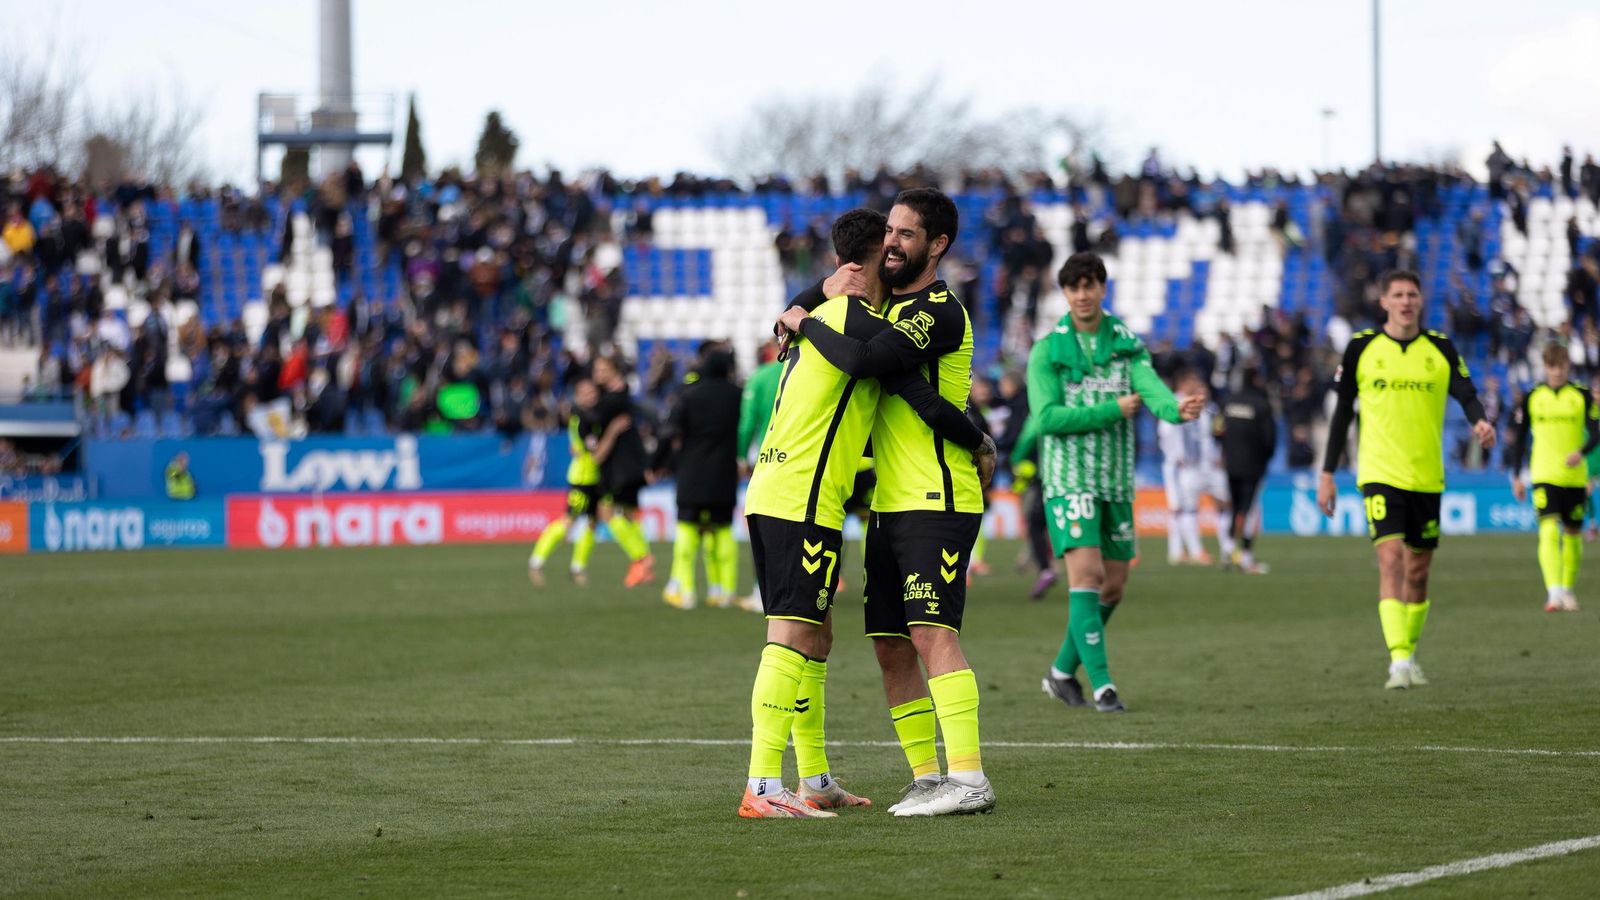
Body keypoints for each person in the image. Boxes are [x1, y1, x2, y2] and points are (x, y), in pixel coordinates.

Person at [738, 207, 991, 819]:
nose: (898, 246)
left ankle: (825, 777)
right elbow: (865, 362)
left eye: (909, 234)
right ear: (870, 259)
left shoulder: (911, 312)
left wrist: (802, 308)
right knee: (806, 635)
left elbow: (906, 385)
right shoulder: (855, 318)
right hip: (810, 496)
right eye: (892, 237)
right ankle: (766, 785)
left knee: (831, 637)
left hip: (883, 494)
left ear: (936, 244)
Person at [1031, 252, 1202, 716]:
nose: (1083, 295)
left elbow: (1150, 387)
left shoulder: (1126, 342)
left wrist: (1174, 409)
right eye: (1074, 287)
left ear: (1103, 289)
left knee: (1114, 586)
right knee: (1086, 577)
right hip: (1069, 480)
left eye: (1090, 285)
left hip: (1115, 481)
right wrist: (1111, 409)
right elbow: (1046, 418)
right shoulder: (1047, 350)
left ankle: (1062, 672)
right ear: (1065, 294)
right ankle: (1104, 687)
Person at [1317, 270, 1495, 690]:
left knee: (1418, 572)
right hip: (1379, 472)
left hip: (1427, 476)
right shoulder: (1361, 348)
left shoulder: (1439, 348)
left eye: (1412, 294)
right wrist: (1327, 474)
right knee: (1391, 559)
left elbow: (1467, 393)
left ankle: (1409, 653)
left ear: (1420, 300)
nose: (1405, 301)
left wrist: (1480, 422)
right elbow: (1342, 413)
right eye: (1397, 294)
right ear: (1384, 302)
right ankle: (1397, 662)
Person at [1507, 343, 1598, 612]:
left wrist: (1581, 453)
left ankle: (1567, 589)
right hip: (1544, 474)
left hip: (1574, 477)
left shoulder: (1581, 395)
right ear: (1545, 366)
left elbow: (1596, 431)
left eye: (1561, 366)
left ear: (1568, 366)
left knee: (1572, 535)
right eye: (1552, 366)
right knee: (1547, 529)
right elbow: (1520, 439)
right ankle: (1553, 592)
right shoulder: (1533, 396)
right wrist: (1516, 475)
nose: (1557, 372)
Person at [658, 344, 743, 610]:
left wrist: (656, 463)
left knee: (687, 530)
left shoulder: (689, 395)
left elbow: (669, 431)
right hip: (724, 471)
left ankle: (686, 592)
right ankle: (725, 591)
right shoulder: (738, 395)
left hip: (692, 471)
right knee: (723, 531)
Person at [528, 379, 603, 587]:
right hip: (582, 478)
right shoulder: (581, 416)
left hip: (595, 477)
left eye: (593, 392)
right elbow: (591, 445)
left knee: (591, 524)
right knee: (568, 521)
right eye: (586, 393)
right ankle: (536, 561)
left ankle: (578, 567)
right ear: (578, 396)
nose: (591, 396)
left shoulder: (590, 415)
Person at [590, 355, 656, 588]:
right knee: (629, 514)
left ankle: (641, 558)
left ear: (613, 371)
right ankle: (644, 565)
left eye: (602, 369)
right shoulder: (622, 398)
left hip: (621, 467)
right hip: (630, 465)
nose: (597, 373)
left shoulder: (610, 402)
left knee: (607, 514)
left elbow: (609, 430)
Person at [1157, 369, 1233, 567]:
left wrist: (1219, 455)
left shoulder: (1210, 408)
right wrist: (1176, 456)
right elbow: (1166, 433)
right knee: (1180, 508)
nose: (1199, 388)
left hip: (1207, 465)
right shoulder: (1174, 404)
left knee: (1221, 503)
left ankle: (1227, 548)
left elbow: (1216, 434)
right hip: (1183, 465)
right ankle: (1185, 551)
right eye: (1195, 383)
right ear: (1184, 384)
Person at [734, 339, 784, 611]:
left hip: (768, 459)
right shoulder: (810, 369)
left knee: (764, 527)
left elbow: (747, 422)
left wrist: (742, 456)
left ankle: (760, 592)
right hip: (806, 458)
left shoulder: (761, 377)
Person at [1220, 366, 1276, 574]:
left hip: (1231, 463)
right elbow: (1269, 438)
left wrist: (1225, 451)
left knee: (1234, 508)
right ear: (1256, 379)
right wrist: (1264, 459)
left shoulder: (1228, 402)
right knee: (1249, 509)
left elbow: (1217, 430)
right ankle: (1246, 556)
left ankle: (1227, 549)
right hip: (1253, 464)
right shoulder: (1261, 405)